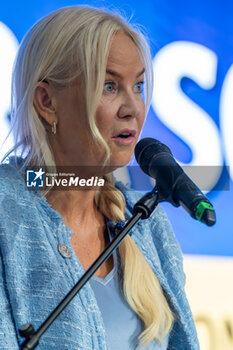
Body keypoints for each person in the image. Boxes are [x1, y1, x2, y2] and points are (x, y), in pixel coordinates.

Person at [0, 6, 199, 350]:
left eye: (137, 85)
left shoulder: (147, 223)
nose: (134, 108)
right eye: (109, 86)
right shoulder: (7, 218)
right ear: (47, 101)